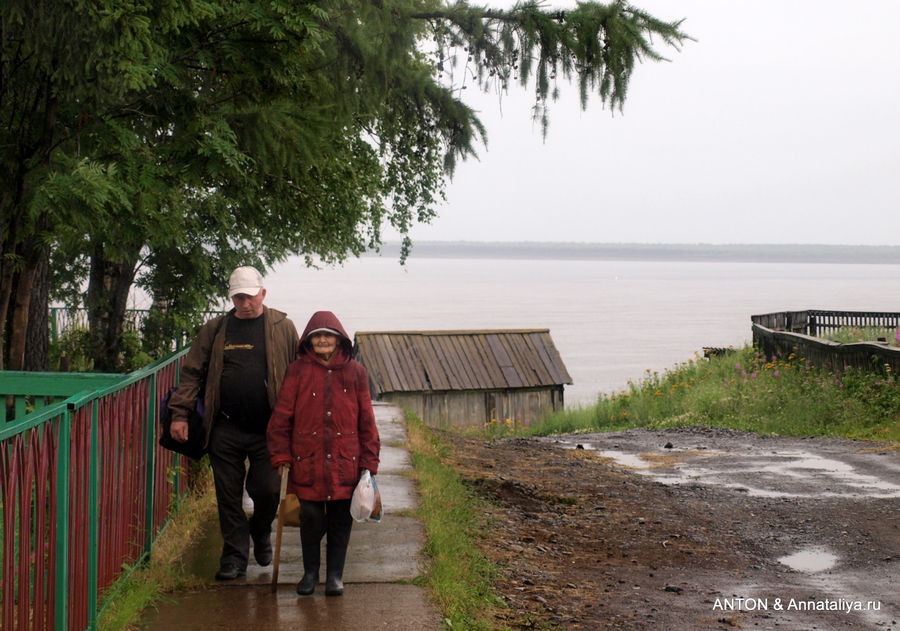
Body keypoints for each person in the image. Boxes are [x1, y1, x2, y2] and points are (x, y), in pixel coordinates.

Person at [168, 266, 300, 581]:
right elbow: (192, 374)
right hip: (224, 428)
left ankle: (261, 529)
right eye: (238, 297)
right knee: (227, 494)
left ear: (263, 294)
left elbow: (298, 375)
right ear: (232, 297)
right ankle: (234, 558)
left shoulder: (283, 327)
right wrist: (179, 414)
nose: (245, 303)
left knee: (267, 490)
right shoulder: (215, 330)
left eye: (250, 297)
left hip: (269, 429)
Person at [267, 310, 380, 596]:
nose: (323, 341)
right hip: (307, 462)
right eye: (317, 336)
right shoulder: (297, 371)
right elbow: (280, 419)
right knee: (311, 518)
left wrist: (369, 463)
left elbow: (367, 421)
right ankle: (309, 574)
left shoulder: (356, 373)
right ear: (308, 340)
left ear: (340, 339)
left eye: (328, 336)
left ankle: (335, 577)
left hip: (346, 462)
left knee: (341, 520)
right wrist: (281, 456)